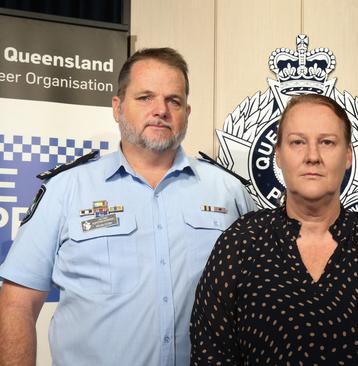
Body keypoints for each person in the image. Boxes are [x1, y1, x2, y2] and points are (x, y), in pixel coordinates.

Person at [0, 47, 256, 365]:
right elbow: (17, 304)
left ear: (187, 113)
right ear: (118, 107)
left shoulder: (227, 192)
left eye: (173, 100)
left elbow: (258, 301)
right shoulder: (67, 189)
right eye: (145, 97)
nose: (160, 110)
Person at [190, 94, 358, 365]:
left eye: (327, 142)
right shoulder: (240, 242)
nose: (312, 156)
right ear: (278, 155)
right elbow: (210, 355)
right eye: (297, 142)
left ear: (349, 155)